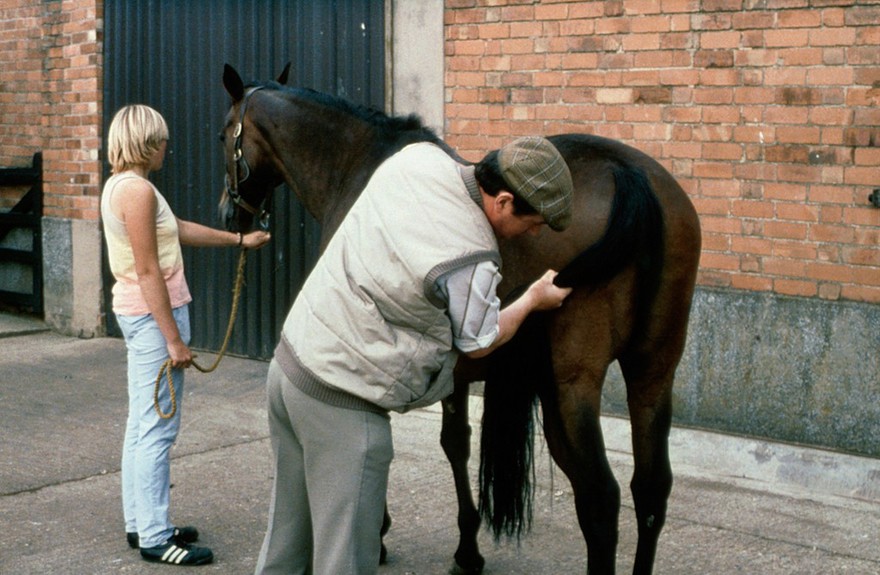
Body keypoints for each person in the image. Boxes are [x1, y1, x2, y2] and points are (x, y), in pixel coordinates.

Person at [254, 136, 574, 575]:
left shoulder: (420, 157)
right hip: (344, 405)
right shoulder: (471, 255)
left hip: (290, 369)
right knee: (344, 563)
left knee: (285, 549)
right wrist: (533, 298)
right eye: (534, 222)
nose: (534, 233)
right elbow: (479, 341)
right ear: (502, 202)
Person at [101, 104, 270, 566]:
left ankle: (142, 523)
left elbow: (174, 233)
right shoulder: (136, 191)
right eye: (161, 141)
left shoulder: (125, 187)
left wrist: (238, 240)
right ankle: (156, 538)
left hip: (141, 316)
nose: (166, 148)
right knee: (158, 429)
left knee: (142, 425)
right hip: (154, 319)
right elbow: (149, 268)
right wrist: (174, 339)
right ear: (144, 143)